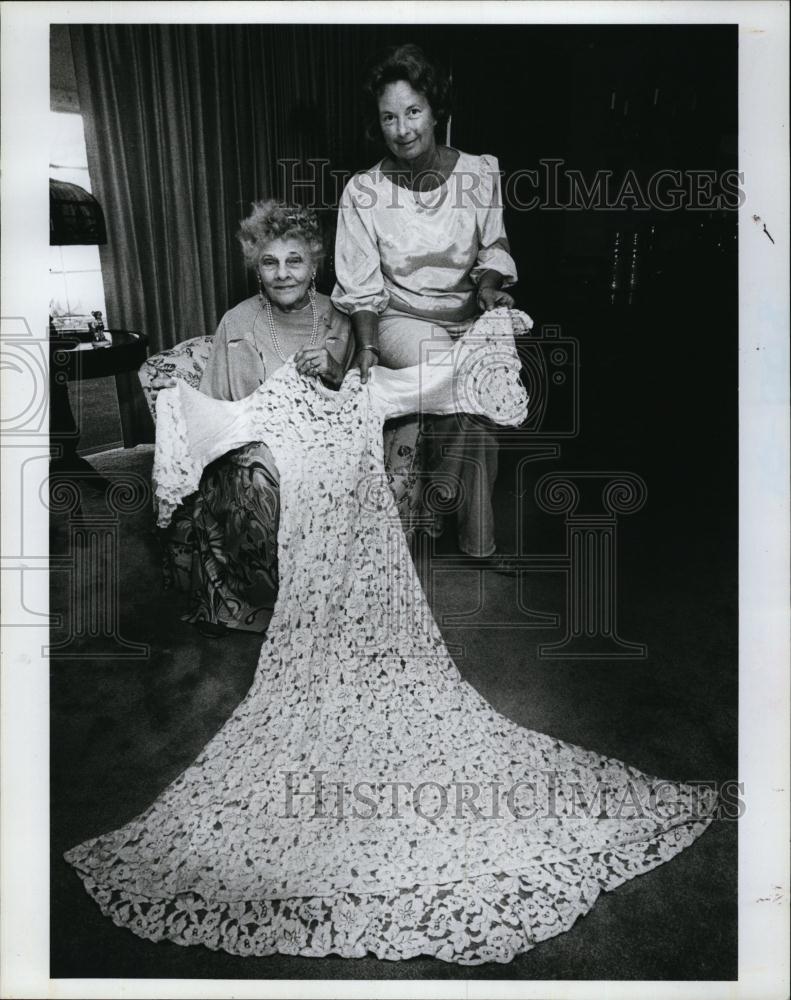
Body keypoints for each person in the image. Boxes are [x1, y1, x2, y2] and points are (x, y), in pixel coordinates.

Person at [65, 307, 718, 963]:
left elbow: (443, 381)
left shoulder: (367, 388)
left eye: (331, 336)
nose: (318, 346)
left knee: (401, 677)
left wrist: (487, 337)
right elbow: (210, 425)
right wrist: (178, 409)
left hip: (376, 562)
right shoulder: (279, 395)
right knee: (304, 695)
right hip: (313, 566)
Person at [332, 43, 518, 558]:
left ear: (436, 110)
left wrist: (488, 289)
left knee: (485, 394)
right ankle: (438, 512)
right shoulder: (362, 192)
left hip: (466, 313)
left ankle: (472, 537)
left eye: (413, 111)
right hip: (400, 319)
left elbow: (493, 247)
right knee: (447, 363)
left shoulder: (480, 173)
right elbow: (361, 285)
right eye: (389, 117)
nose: (402, 128)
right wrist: (366, 346)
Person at [151, 200, 352, 635]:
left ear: (313, 263)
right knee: (264, 470)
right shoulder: (237, 320)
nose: (283, 273)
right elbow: (213, 410)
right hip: (245, 452)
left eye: (294, 260)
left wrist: (335, 372)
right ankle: (261, 606)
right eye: (269, 262)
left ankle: (321, 600)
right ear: (256, 269)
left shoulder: (341, 317)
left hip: (321, 443)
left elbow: (359, 399)